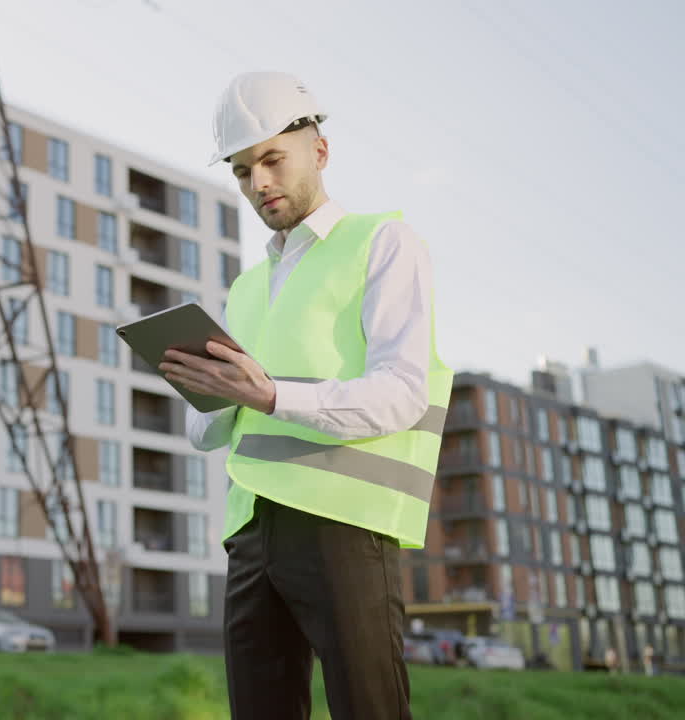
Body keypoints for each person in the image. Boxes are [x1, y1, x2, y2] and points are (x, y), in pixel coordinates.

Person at [160, 72, 452, 719]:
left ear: (318, 150)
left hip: (343, 525)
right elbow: (206, 433)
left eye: (271, 160)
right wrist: (206, 392)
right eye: (241, 171)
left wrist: (269, 397)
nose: (257, 183)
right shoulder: (244, 288)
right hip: (250, 531)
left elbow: (402, 394)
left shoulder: (382, 243)